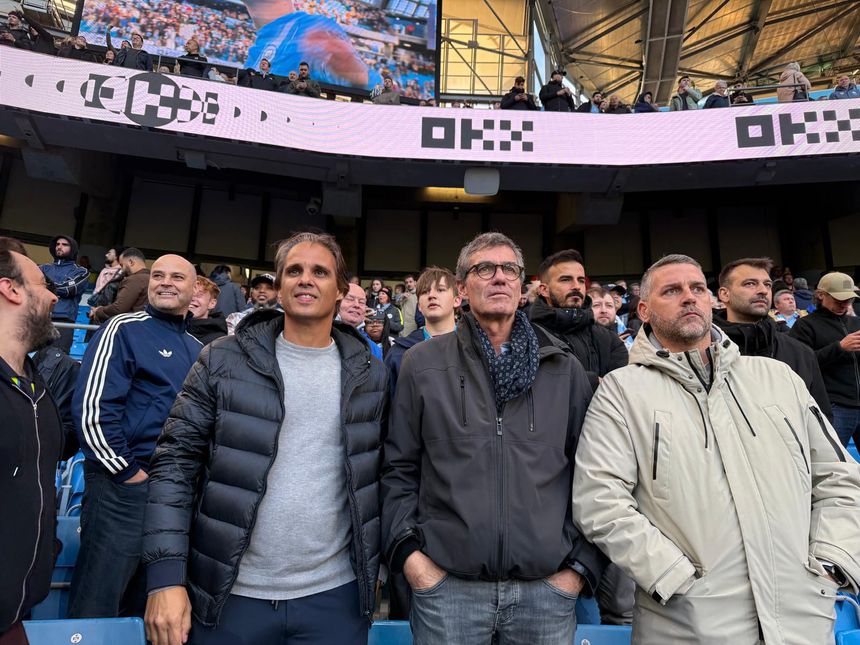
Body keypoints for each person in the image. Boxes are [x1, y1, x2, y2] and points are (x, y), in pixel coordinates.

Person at [572, 253, 860, 645]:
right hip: (687, 624)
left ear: (712, 300)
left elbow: (839, 477)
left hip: (801, 619)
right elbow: (600, 501)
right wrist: (673, 577)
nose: (689, 297)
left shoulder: (778, 378)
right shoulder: (621, 392)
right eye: (671, 291)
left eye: (697, 288)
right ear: (643, 311)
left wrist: (832, 561)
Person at [141, 233, 387, 645]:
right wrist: (165, 577)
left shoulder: (370, 374)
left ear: (341, 290)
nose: (305, 279)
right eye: (294, 271)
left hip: (335, 598)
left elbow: (380, 476)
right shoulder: (222, 358)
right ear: (279, 285)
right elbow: (174, 465)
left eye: (320, 272)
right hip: (229, 595)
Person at [382, 232, 604, 644]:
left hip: (546, 593)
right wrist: (412, 560)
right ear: (463, 289)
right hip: (447, 591)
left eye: (509, 270)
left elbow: (593, 475)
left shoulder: (564, 369)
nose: (499, 277)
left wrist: (577, 571)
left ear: (522, 287)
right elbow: (399, 468)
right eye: (485, 269)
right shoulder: (422, 364)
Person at [68, 255, 201, 620]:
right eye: (158, 275)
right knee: (99, 602)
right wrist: (128, 473)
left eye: (177, 277)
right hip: (122, 487)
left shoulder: (197, 348)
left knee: (150, 607)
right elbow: (93, 410)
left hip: (172, 494)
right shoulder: (123, 328)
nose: (166, 282)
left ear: (195, 289)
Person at [0, 238, 65, 645]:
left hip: (15, 615)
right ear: (10, 289)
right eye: (43, 284)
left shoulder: (35, 383)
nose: (54, 296)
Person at [712, 257, 832, 418]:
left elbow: (821, 419)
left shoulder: (800, 353)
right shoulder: (705, 352)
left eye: (767, 284)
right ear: (724, 294)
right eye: (750, 284)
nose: (763, 290)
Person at [529, 249, 628, 389]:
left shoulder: (610, 340)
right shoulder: (527, 336)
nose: (576, 286)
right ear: (544, 290)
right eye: (565, 279)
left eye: (581, 280)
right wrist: (593, 381)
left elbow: (620, 389)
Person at [791, 272, 860, 447]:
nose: (845, 304)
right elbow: (800, 364)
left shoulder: (856, 322)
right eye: (839, 299)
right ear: (821, 295)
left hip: (851, 402)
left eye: (849, 299)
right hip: (834, 405)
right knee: (833, 460)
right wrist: (839, 348)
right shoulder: (805, 325)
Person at [385, 266, 459, 399]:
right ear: (419, 306)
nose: (431, 295)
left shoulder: (476, 348)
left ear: (457, 300)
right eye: (425, 292)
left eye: (440, 290)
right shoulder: (399, 354)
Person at [39, 235, 89, 353]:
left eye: (64, 245)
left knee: (57, 358)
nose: (59, 247)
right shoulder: (44, 268)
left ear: (73, 249)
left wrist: (44, 286)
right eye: (57, 244)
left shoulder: (81, 271)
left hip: (64, 321)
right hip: (41, 319)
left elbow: (68, 289)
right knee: (33, 359)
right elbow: (30, 286)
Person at [88, 247, 149, 323]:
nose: (122, 269)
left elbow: (118, 308)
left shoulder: (134, 279)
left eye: (122, 265)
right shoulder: (151, 279)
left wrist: (98, 311)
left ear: (131, 262)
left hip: (131, 324)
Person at [337, 282, 382, 360]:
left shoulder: (373, 349)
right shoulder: (321, 336)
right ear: (337, 302)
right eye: (350, 299)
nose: (356, 305)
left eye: (361, 302)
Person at [187, 276, 228, 345]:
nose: (192, 299)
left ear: (212, 303)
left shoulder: (219, 341)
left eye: (199, 295)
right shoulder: (172, 328)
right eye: (189, 294)